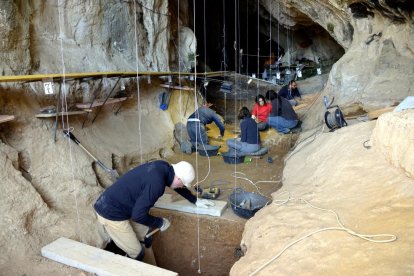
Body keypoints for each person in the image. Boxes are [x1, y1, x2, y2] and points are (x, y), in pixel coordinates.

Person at [93, 160, 214, 261]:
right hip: (110, 213)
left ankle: (152, 269)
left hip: (122, 205)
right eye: (183, 184)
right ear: (178, 178)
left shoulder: (164, 167)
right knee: (137, 253)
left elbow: (177, 185)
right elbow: (138, 215)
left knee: (146, 237)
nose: (182, 187)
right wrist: (160, 222)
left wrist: (195, 200)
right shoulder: (157, 185)